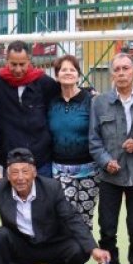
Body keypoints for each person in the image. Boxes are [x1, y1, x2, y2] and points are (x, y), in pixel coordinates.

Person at [0, 148, 112, 264]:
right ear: (8, 176)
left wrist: (93, 249)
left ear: (34, 173)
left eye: (25, 171)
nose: (20, 178)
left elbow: (71, 218)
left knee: (79, 248)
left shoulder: (51, 188)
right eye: (15, 172)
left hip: (52, 245)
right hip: (22, 247)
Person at [89, 53, 133, 264]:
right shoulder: (100, 103)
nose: (121, 73)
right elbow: (94, 140)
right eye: (117, 69)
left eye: (126, 68)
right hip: (110, 177)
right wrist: (106, 162)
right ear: (111, 74)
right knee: (107, 227)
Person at [0, 40, 59, 177]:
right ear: (6, 61)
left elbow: (65, 94)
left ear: (29, 60)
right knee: (11, 199)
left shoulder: (44, 82)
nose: (18, 69)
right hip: (11, 160)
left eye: (22, 64)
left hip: (41, 160)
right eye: (13, 64)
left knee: (43, 198)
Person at [47, 55, 99, 229]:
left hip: (90, 171)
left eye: (72, 69)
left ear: (78, 74)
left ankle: (81, 255)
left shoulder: (91, 100)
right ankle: (65, 255)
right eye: (63, 69)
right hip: (60, 170)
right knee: (65, 218)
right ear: (56, 75)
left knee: (85, 220)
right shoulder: (50, 101)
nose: (68, 73)